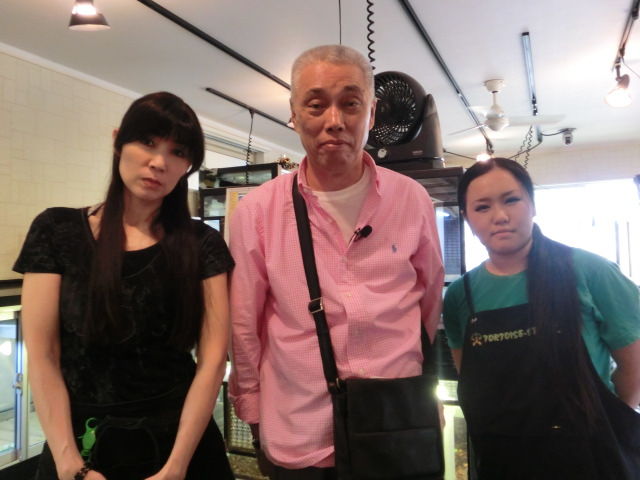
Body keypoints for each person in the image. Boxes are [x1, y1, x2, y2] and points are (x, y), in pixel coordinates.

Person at [228, 45, 444, 478]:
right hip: (299, 433)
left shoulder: (411, 200)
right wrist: (251, 411)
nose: (334, 121)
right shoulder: (258, 212)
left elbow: (429, 303)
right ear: (294, 113)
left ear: (372, 112)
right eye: (316, 105)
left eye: (350, 103)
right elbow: (244, 325)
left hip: (395, 426)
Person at [13, 92, 235, 480]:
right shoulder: (56, 230)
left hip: (181, 442)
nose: (159, 162)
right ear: (118, 141)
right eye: (147, 142)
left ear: (187, 166)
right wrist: (69, 463)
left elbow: (213, 359)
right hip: (79, 441)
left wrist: (176, 467)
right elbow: (43, 353)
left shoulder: (202, 245)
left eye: (177, 152)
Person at [443, 157, 640, 479]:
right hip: (502, 460)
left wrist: (607, 422)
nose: (500, 216)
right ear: (467, 218)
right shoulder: (460, 296)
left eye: (511, 200)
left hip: (591, 457)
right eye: (482, 207)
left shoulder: (590, 271)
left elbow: (634, 369)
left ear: (532, 205)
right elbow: (471, 379)